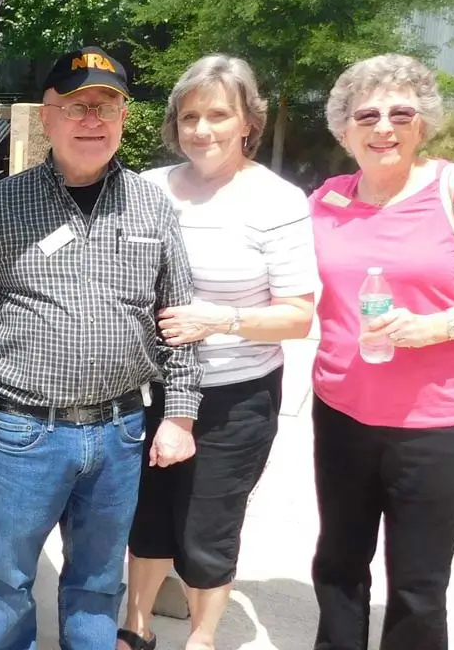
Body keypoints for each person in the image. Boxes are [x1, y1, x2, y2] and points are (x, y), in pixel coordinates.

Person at [0, 45, 204, 650]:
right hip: (27, 435)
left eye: (106, 106)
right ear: (48, 116)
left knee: (98, 581)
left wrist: (181, 415)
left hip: (122, 433)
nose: (93, 120)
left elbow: (179, 319)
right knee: (6, 577)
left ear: (123, 118)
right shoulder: (2, 205)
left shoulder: (151, 205)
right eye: (77, 106)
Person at [307, 54, 454, 650]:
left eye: (401, 113)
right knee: (337, 566)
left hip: (441, 423)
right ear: (344, 130)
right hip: (341, 413)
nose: (383, 127)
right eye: (366, 115)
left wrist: (438, 326)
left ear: (423, 125)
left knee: (417, 584)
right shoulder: (327, 201)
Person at [117, 55, 320, 650]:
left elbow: (299, 316)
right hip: (147, 389)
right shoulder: (147, 189)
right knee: (148, 517)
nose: (202, 130)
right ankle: (138, 625)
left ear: (247, 122)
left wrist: (221, 319)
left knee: (207, 526)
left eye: (218, 115)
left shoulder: (277, 202)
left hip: (236, 397)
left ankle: (202, 637)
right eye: (189, 117)